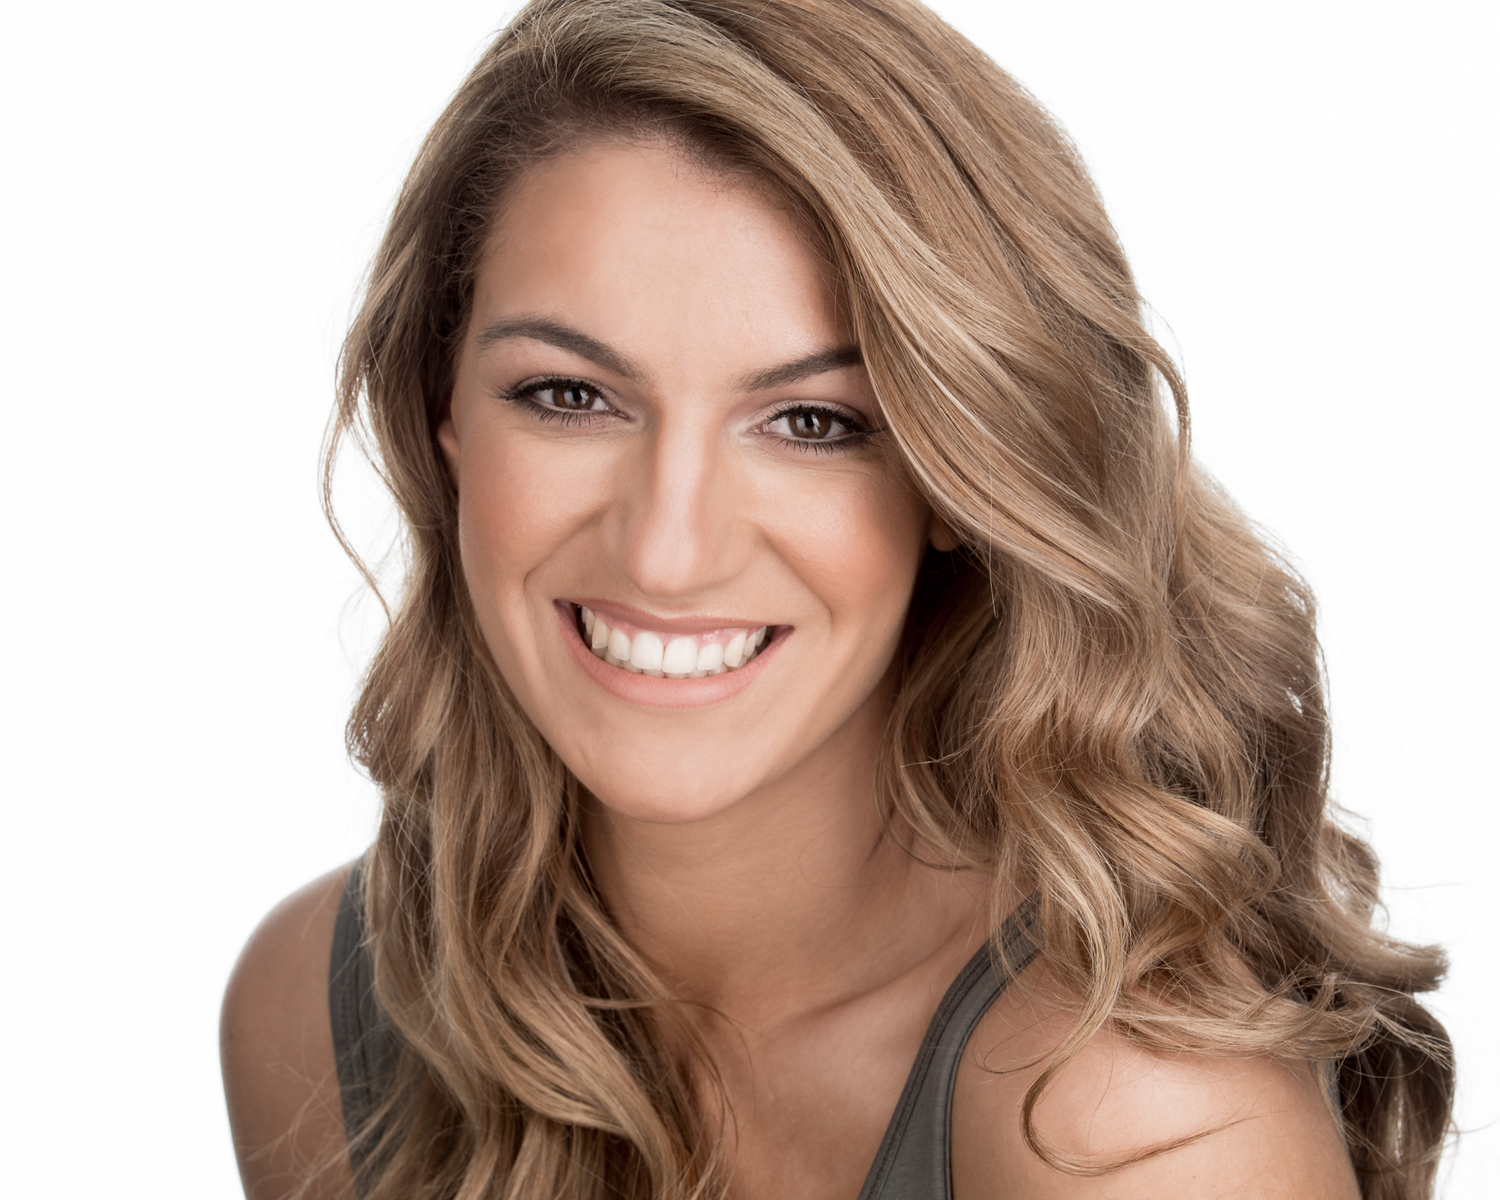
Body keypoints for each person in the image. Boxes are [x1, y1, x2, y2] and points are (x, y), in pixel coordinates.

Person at [219, 1, 1454, 1197]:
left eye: (810, 422)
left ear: (957, 475)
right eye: (569, 397)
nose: (666, 551)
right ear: (442, 416)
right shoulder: (315, 1014)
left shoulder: (1135, 1124)